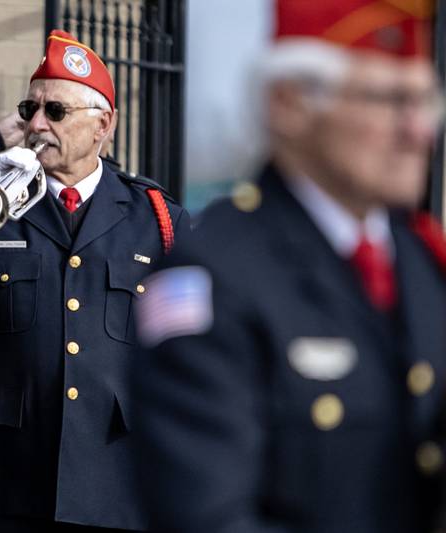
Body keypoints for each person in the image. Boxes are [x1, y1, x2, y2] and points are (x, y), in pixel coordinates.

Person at [135, 1, 446, 532]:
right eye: (389, 99)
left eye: (425, 100)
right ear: (288, 104)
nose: (418, 131)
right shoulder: (213, 276)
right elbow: (208, 517)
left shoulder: (421, 261)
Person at [0, 30, 191, 533]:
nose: (37, 124)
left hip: (115, 482)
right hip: (9, 477)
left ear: (103, 124)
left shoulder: (156, 217)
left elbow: (188, 350)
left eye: (55, 111)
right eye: (29, 109)